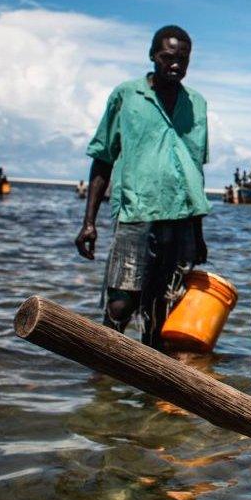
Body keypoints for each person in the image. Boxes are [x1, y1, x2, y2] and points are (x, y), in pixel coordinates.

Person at [74, 25, 209, 348]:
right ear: (152, 56)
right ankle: (103, 388)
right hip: (137, 213)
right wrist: (89, 223)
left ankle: (150, 392)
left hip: (182, 219)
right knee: (122, 304)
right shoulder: (127, 96)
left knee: (164, 309)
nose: (175, 64)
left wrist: (199, 236)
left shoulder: (197, 104)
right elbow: (103, 158)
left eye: (183, 58)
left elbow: (195, 170)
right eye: (167, 57)